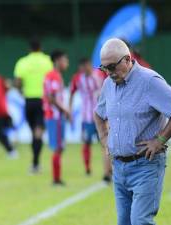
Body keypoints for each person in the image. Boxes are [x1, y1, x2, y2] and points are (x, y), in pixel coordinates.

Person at [94, 38, 171, 225]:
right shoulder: (108, 84)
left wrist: (160, 139)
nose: (109, 73)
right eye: (104, 68)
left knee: (140, 221)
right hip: (119, 168)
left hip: (145, 166)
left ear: (127, 59)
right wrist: (105, 139)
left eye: (112, 67)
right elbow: (98, 114)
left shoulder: (149, 81)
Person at [14, 37, 53, 173]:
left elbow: (18, 82)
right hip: (43, 100)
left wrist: (21, 92)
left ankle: (35, 163)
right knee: (38, 133)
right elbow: (53, 78)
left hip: (29, 101)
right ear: (40, 48)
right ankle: (36, 163)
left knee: (34, 132)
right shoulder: (48, 61)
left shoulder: (23, 62)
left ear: (29, 49)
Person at [69, 58, 112, 182]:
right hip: (86, 117)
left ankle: (107, 172)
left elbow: (110, 88)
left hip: (102, 116)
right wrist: (70, 110)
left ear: (89, 65)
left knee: (105, 144)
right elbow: (71, 93)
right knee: (86, 143)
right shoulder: (77, 78)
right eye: (81, 67)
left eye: (85, 66)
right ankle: (88, 168)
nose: (84, 69)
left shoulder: (99, 74)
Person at [43, 50, 71, 185]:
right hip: (55, 116)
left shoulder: (52, 75)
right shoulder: (54, 76)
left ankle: (57, 178)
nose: (67, 63)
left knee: (58, 147)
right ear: (58, 61)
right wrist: (65, 110)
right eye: (65, 60)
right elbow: (51, 97)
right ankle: (56, 179)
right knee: (58, 147)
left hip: (53, 116)